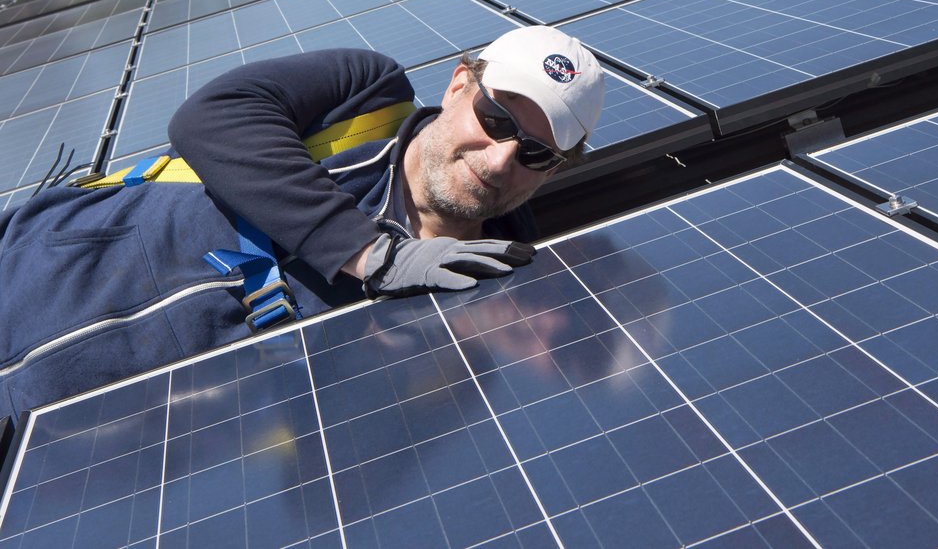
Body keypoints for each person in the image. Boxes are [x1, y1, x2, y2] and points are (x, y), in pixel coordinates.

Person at [0, 25, 604, 422]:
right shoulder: (369, 96)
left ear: (550, 172)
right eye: (496, 119)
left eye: (534, 153)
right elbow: (211, 118)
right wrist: (369, 255)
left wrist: (405, 343)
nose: (500, 158)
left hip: (62, 433)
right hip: (32, 263)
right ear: (457, 84)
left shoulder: (478, 308)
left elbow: (322, 489)